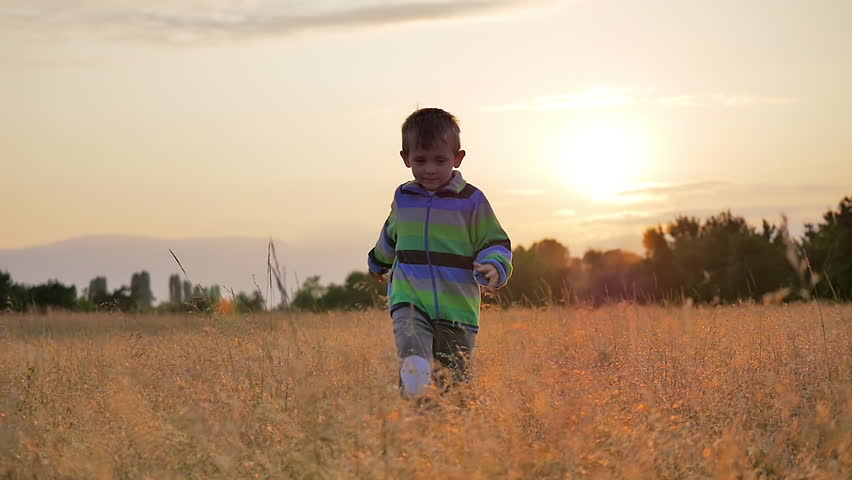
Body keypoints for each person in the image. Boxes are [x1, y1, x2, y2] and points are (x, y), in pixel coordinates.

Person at [367, 107, 513, 399]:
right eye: (420, 160)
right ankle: (413, 413)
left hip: (457, 309)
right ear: (406, 158)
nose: (430, 169)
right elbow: (391, 235)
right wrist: (376, 262)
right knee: (415, 360)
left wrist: (494, 266)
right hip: (409, 300)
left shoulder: (471, 200)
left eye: (440, 160)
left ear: (457, 158)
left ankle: (446, 433)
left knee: (455, 390)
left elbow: (495, 241)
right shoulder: (404, 197)